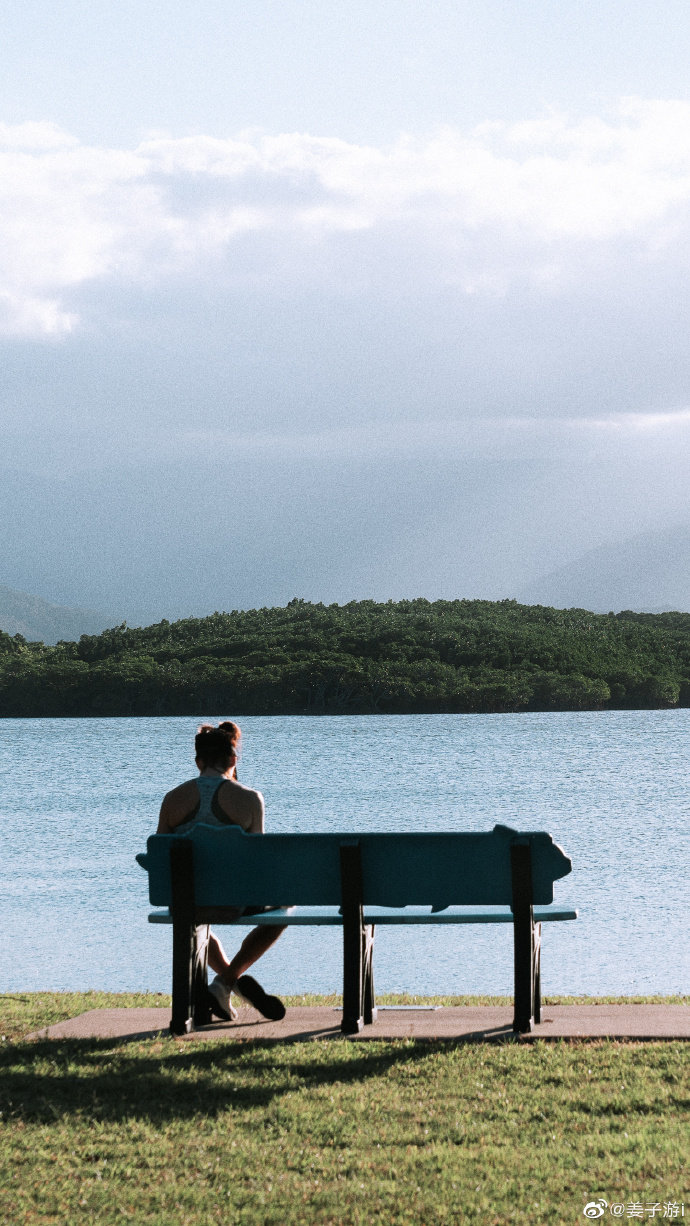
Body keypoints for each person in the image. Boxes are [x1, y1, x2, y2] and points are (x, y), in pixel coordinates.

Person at [157, 720, 287, 1023]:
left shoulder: (172, 799)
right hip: (234, 901)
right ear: (233, 760)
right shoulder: (250, 799)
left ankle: (224, 986)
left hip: (184, 902)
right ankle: (226, 982)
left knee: (195, 920)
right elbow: (257, 861)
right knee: (286, 907)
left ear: (198, 761)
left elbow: (162, 855)